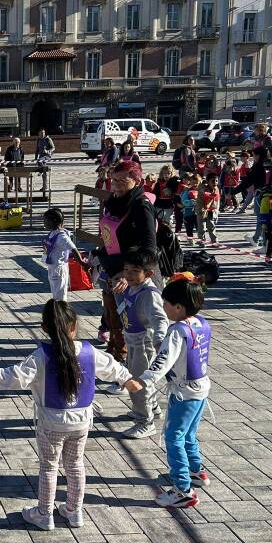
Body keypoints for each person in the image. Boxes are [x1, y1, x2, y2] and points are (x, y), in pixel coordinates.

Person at [0, 300, 134, 530]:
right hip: (82, 420)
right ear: (74, 326)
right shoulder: (89, 351)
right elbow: (113, 367)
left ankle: (44, 513)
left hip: (51, 423)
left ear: (44, 327)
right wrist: (127, 379)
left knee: (49, 466)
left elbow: (12, 376)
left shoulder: (41, 356)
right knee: (75, 464)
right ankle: (74, 511)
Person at [136, 275, 213, 509]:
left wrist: (143, 380)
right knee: (189, 433)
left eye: (165, 304)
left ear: (178, 307)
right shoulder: (201, 323)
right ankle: (195, 471)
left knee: (174, 437)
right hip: (200, 388)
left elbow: (163, 361)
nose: (164, 308)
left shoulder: (177, 330)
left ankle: (183, 490)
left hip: (184, 392)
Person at [93, 161, 157, 361]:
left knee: (130, 325)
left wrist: (128, 273)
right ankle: (115, 356)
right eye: (114, 179)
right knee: (113, 317)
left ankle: (128, 368)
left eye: (122, 180)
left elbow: (149, 246)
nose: (116, 184)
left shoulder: (141, 205)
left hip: (129, 274)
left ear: (137, 180)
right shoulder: (114, 201)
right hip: (111, 268)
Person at [117, 249, 168, 439]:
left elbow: (159, 318)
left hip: (143, 345)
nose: (128, 275)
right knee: (140, 379)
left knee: (138, 384)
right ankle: (152, 408)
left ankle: (145, 422)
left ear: (148, 274)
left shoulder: (149, 294)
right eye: (126, 270)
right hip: (132, 342)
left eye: (134, 271)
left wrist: (159, 340)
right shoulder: (132, 286)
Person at [42, 207, 82, 300]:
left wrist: (82, 263)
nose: (44, 223)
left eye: (46, 220)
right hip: (52, 267)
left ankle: (61, 313)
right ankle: (57, 312)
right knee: (55, 294)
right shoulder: (53, 233)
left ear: (54, 221)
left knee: (60, 297)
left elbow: (74, 249)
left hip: (59, 269)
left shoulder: (62, 237)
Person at [197, 174, 220, 244]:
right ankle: (201, 240)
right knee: (201, 227)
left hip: (212, 211)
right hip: (202, 210)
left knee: (211, 226)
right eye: (213, 181)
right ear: (208, 182)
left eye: (216, 181)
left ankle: (214, 240)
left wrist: (216, 212)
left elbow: (216, 201)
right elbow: (200, 200)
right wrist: (201, 209)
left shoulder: (216, 189)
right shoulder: (203, 190)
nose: (215, 183)